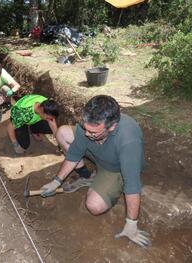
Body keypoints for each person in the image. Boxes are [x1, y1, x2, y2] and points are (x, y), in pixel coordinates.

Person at [40, 95, 151, 248]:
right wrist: (56, 181)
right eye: (86, 129)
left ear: (111, 127)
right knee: (62, 132)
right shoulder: (88, 127)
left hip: (115, 168)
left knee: (94, 205)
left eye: (93, 132)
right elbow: (73, 154)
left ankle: (106, 184)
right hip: (98, 153)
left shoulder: (128, 140)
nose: (87, 134)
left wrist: (131, 223)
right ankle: (87, 176)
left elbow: (132, 185)